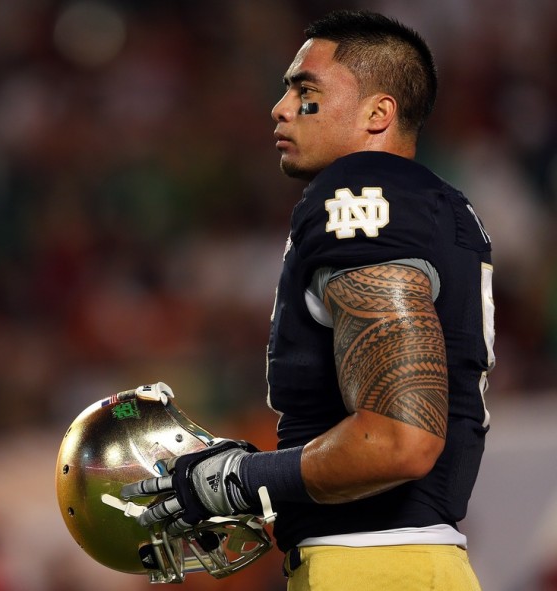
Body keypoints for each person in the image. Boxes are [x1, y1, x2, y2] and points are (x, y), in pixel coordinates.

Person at [122, 9, 494, 590]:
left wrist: (238, 478)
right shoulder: (432, 204)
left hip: (370, 567)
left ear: (378, 113)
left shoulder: (361, 199)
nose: (281, 106)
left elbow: (400, 439)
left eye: (306, 89)